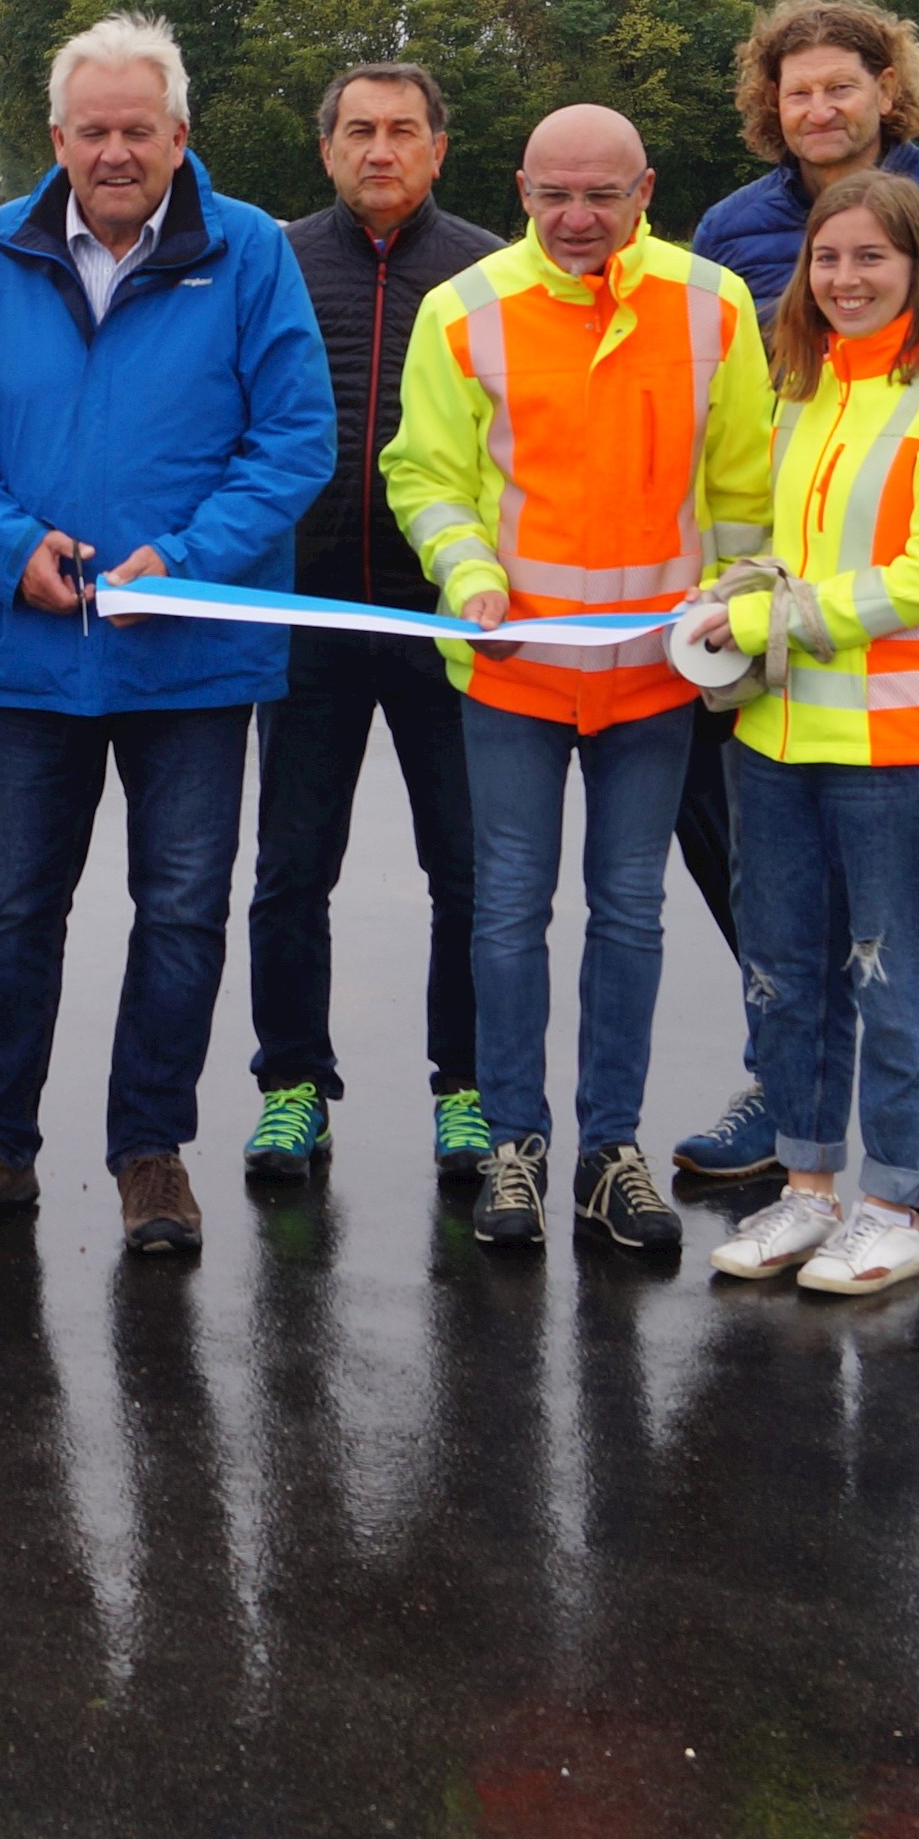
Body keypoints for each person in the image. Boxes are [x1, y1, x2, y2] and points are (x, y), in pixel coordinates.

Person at [0, 13, 338, 1257]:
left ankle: (151, 1151)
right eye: (90, 130)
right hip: (32, 653)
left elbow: (292, 440)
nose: (113, 151)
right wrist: (5, 544)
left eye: (137, 129)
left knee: (182, 909)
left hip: (188, 655)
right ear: (54, 137)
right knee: (14, 909)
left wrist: (185, 562)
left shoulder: (247, 252)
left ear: (178, 133)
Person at [670, 0, 919, 1216]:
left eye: (843, 83)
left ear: (889, 88)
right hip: (762, 627)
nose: (819, 107)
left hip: (892, 622)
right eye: (796, 90)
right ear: (767, 103)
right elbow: (716, 417)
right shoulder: (732, 228)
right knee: (774, 889)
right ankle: (790, 1097)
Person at [382, 102, 772, 1259]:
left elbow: (741, 479)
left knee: (632, 913)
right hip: (512, 672)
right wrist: (466, 577)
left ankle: (611, 1151)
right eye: (554, 194)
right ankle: (515, 1144)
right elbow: (429, 477)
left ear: (645, 189)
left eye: (602, 195)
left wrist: (735, 619)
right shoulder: (463, 311)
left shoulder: (713, 302)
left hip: (652, 677)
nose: (577, 218)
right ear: (519, 187)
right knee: (506, 912)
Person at [691, 170, 919, 1297]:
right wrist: (714, 603)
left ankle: (893, 1205)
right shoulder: (799, 389)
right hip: (776, 742)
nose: (844, 279)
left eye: (870, 258)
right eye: (827, 260)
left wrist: (780, 617)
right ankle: (806, 1187)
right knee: (785, 976)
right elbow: (753, 534)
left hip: (903, 752)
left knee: (900, 982)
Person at [243, 62, 509, 1191]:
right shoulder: (276, 264)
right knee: (293, 867)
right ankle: (292, 1084)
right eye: (359, 130)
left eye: (404, 130)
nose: (380, 150)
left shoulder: (495, 272)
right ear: (327, 149)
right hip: (302, 612)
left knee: (468, 865)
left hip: (446, 616)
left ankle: (467, 1087)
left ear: (439, 149)